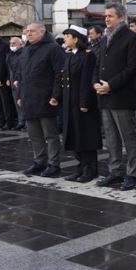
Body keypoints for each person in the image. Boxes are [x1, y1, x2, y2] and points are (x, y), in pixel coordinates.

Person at [95, 3, 136, 190]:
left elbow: (132, 68)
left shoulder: (132, 38)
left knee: (128, 138)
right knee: (111, 139)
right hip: (105, 96)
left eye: (110, 16)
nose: (106, 19)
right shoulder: (104, 39)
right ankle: (114, 172)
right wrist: (96, 83)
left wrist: (111, 85)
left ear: (122, 18)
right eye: (105, 16)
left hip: (122, 97)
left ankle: (133, 174)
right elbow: (98, 64)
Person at [51, 25, 102, 183]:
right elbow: (62, 78)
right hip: (69, 102)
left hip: (82, 103)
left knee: (85, 136)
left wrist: (84, 102)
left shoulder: (87, 56)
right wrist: (56, 96)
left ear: (76, 39)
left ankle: (90, 169)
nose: (65, 39)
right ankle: (80, 167)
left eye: (68, 36)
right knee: (74, 136)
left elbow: (87, 81)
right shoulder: (69, 55)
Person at [19, 22, 66, 178]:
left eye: (32, 31)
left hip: (46, 98)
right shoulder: (26, 49)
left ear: (42, 32)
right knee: (34, 134)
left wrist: (55, 95)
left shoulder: (53, 49)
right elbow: (22, 75)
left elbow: (59, 74)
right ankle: (39, 161)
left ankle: (53, 164)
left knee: (50, 134)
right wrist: (20, 95)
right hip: (29, 98)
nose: (28, 34)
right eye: (27, 31)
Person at [6, 36, 26, 130]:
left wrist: (18, 79)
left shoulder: (23, 53)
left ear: (20, 44)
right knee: (16, 103)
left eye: (14, 43)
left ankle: (25, 123)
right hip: (12, 80)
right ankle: (20, 121)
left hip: (20, 81)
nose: (11, 45)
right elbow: (9, 68)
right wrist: (8, 79)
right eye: (10, 43)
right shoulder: (10, 54)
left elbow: (21, 69)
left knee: (22, 102)